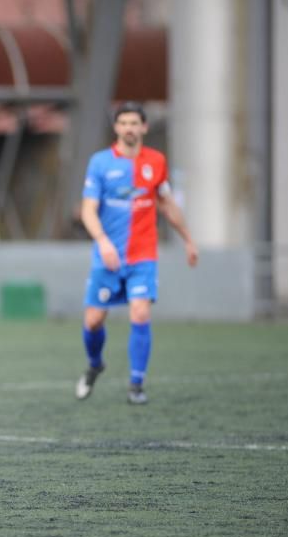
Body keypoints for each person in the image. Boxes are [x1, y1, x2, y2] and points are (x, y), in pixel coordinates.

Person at [76, 101, 199, 405]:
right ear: (116, 128)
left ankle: (136, 384)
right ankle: (95, 364)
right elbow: (88, 210)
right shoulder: (100, 163)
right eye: (123, 123)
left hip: (143, 254)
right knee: (93, 321)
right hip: (108, 257)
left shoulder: (156, 162)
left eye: (134, 123)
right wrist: (103, 241)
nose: (129, 128)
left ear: (144, 127)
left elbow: (166, 203)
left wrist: (188, 239)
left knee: (141, 312)